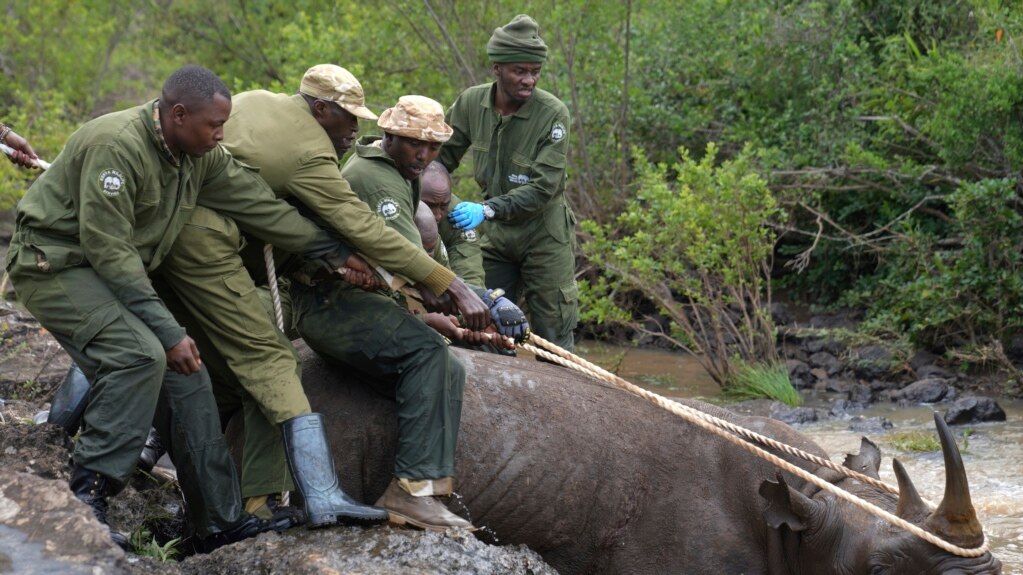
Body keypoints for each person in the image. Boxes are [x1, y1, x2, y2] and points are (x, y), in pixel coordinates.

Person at [4, 65, 345, 551]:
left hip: (107, 272)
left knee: (190, 378)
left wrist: (334, 249)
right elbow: (111, 253)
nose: (222, 134)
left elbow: (259, 205)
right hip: (54, 264)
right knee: (139, 354)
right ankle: (88, 499)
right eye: (214, 125)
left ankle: (219, 522)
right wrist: (169, 332)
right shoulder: (115, 146)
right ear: (178, 114)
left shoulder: (197, 154)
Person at [160, 65, 491, 531]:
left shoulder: (258, 99)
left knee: (263, 364)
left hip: (272, 266)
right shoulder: (330, 161)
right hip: (288, 281)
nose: (355, 129)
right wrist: (447, 286)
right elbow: (368, 232)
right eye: (349, 118)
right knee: (417, 358)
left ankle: (252, 497)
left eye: (433, 147)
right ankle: (410, 490)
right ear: (321, 110)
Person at [289, 93, 492, 532]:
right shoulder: (377, 179)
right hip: (334, 300)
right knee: (430, 358)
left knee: (444, 368)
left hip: (360, 296)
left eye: (433, 147)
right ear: (389, 135)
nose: (424, 154)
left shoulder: (399, 171)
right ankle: (412, 491)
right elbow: (409, 263)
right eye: (414, 143)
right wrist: (478, 300)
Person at [439, 14, 579, 351]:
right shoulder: (472, 103)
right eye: (520, 71)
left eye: (535, 72)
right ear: (497, 68)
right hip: (498, 237)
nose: (529, 80)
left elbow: (544, 188)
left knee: (554, 332)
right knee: (481, 319)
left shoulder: (552, 113)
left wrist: (486, 210)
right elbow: (440, 160)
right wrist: (436, 205)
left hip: (544, 235)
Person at [420, 162, 485, 288]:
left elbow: (469, 267)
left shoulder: (458, 216)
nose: (438, 215)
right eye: (430, 206)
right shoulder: (396, 203)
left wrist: (472, 295)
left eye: (443, 206)